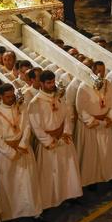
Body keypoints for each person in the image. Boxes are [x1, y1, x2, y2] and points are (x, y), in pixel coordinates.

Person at [27, 71, 82, 210]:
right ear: (42, 83)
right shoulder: (36, 102)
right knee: (51, 173)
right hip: (49, 143)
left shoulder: (59, 98)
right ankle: (51, 200)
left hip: (62, 140)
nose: (52, 85)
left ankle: (69, 195)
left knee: (66, 170)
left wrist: (65, 132)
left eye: (53, 82)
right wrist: (48, 140)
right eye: (49, 83)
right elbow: (35, 126)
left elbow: (67, 116)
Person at [0, 83, 41, 222]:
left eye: (13, 96)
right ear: (1, 97)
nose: (12, 99)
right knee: (10, 185)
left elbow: (27, 127)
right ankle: (10, 214)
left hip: (24, 150)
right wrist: (11, 152)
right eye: (8, 97)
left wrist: (23, 144)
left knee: (29, 181)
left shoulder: (21, 108)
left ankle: (34, 211)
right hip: (7, 155)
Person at [75, 61, 112, 187]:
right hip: (91, 126)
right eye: (99, 71)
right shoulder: (84, 87)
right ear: (93, 71)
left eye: (103, 70)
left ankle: (110, 176)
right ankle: (91, 181)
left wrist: (109, 117)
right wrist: (94, 121)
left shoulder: (108, 85)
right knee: (91, 155)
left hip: (105, 124)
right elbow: (81, 109)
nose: (101, 73)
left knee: (107, 152)